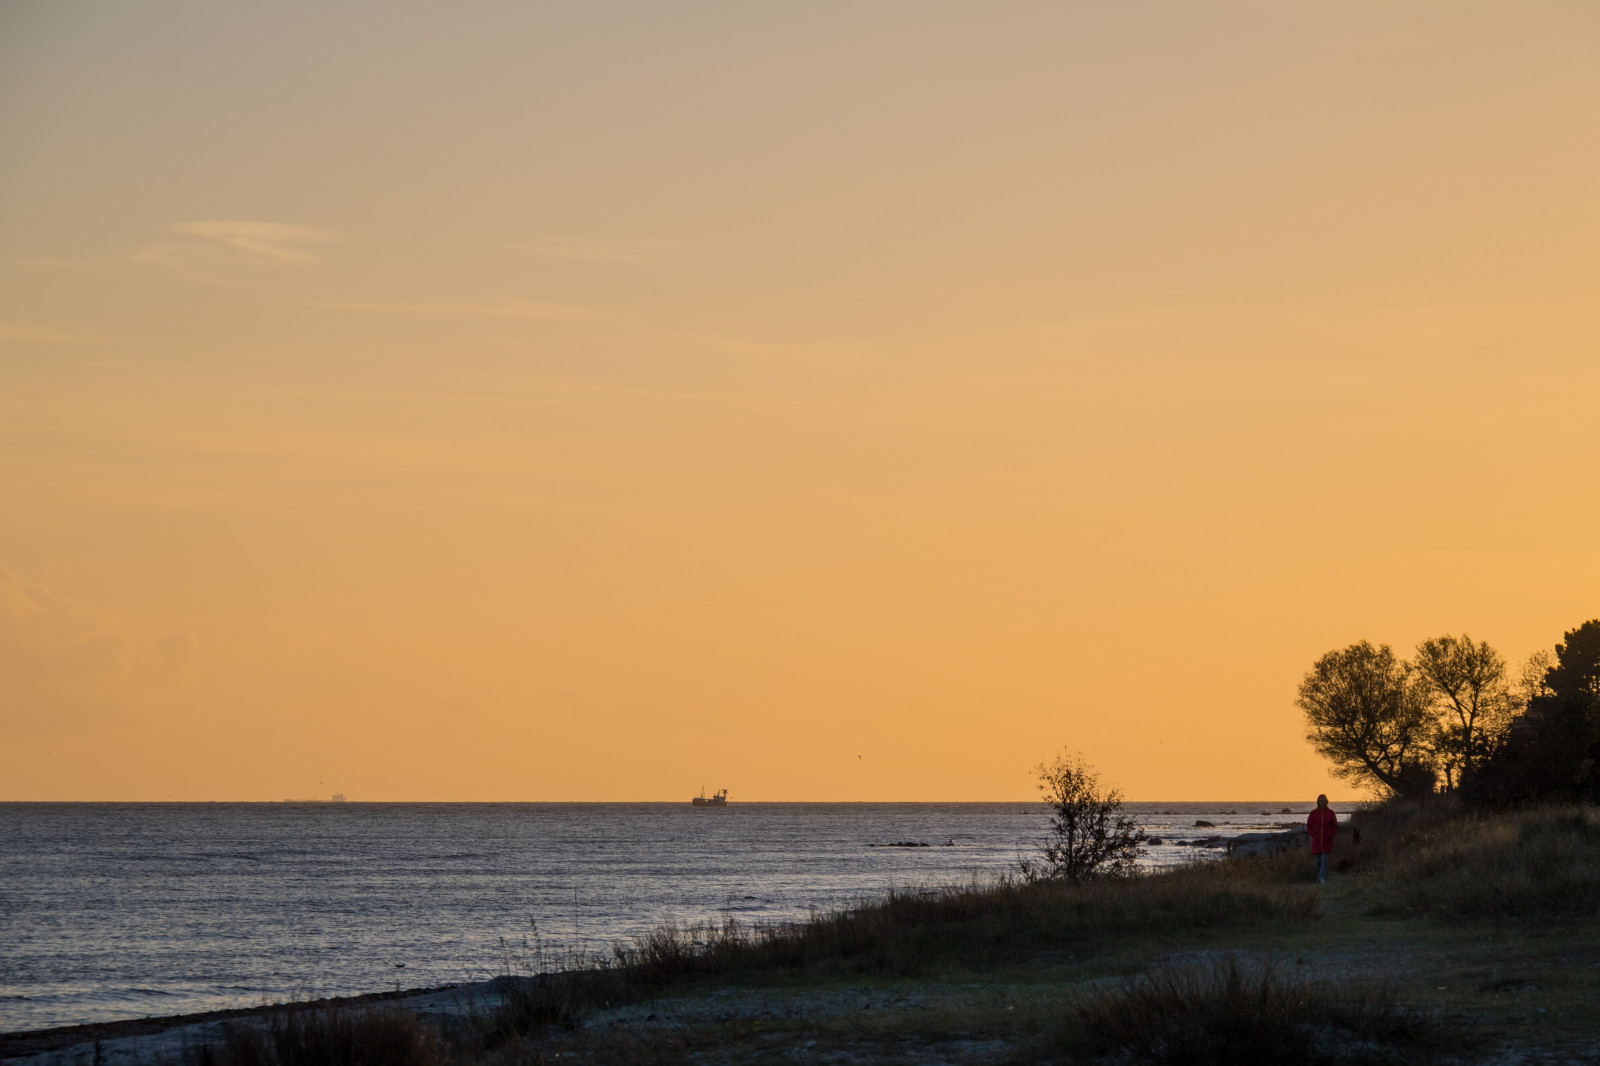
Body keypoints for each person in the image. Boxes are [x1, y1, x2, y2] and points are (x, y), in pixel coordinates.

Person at [1307, 794, 1337, 883]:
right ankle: (1321, 875)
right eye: (1321, 801)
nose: (1322, 802)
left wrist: (1331, 835)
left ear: (1327, 802)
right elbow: (1309, 825)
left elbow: (1335, 826)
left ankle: (1322, 877)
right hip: (1316, 840)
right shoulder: (1313, 813)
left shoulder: (1331, 813)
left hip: (1327, 840)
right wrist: (1313, 834)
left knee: (1324, 859)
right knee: (1318, 861)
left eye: (1324, 801)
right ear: (1318, 802)